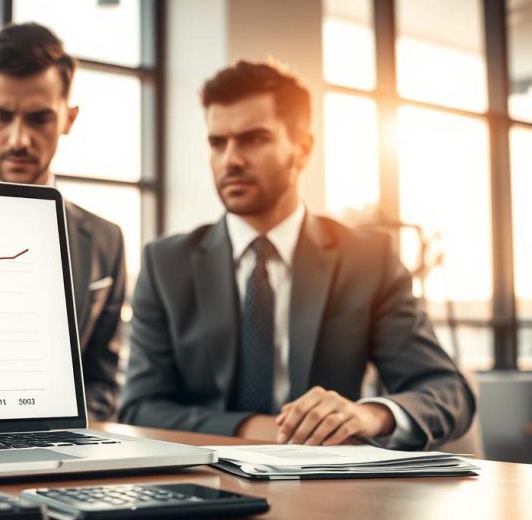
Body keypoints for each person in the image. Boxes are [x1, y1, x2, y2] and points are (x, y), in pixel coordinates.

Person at [118, 60, 475, 450]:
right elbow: (139, 407)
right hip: (203, 478)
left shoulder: (368, 259)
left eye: (253, 139)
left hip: (329, 486)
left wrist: (368, 415)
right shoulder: (166, 264)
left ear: (302, 149)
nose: (230, 160)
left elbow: (446, 391)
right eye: (217, 142)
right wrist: (259, 428)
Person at [0, 23, 127, 421]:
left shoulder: (106, 240)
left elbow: (104, 380)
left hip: (57, 452)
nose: (18, 139)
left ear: (69, 118)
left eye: (39, 119)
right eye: (2, 116)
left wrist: (71, 428)